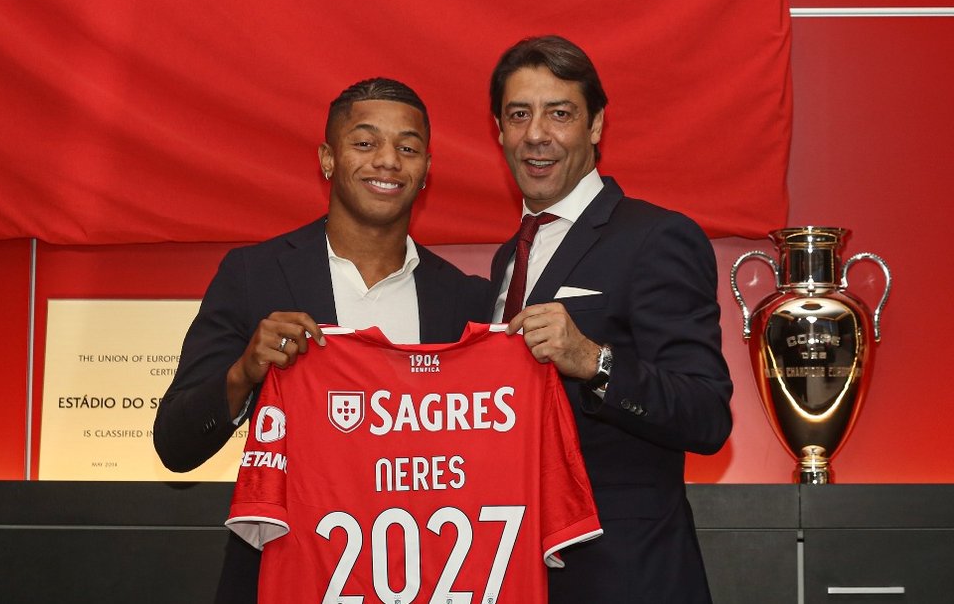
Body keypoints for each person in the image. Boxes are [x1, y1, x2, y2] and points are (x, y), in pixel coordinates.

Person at [153, 77, 490, 604]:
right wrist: (243, 375)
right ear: (328, 159)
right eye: (365, 142)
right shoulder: (254, 276)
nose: (388, 161)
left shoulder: (467, 301)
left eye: (408, 148)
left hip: (425, 578)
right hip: (281, 576)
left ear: (426, 170)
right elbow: (175, 447)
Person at [487, 35, 733, 603]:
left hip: (628, 577)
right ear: (499, 131)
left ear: (595, 125)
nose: (536, 134)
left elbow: (706, 415)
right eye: (519, 114)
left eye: (560, 113)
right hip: (521, 574)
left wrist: (593, 361)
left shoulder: (656, 237)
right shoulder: (508, 260)